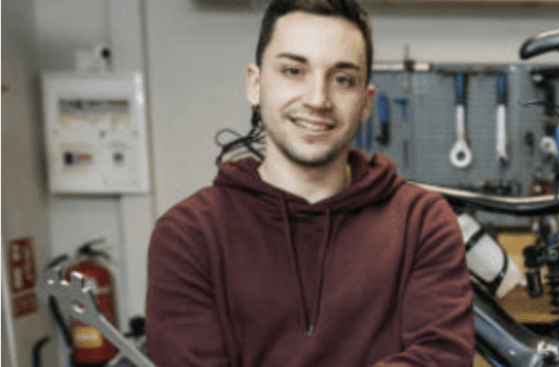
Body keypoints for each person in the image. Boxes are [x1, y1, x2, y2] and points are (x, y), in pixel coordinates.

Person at [145, 1, 474, 366]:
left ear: (366, 103)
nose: (318, 100)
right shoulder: (188, 235)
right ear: (255, 85)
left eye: (343, 79)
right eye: (293, 71)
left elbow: (440, 357)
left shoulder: (422, 222)